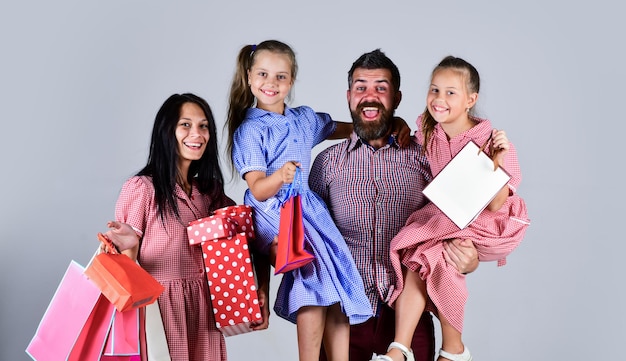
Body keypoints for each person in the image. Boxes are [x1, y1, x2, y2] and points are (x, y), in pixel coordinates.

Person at [309, 49, 479, 361]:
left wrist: (471, 258)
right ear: (349, 96)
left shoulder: (426, 157)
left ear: (397, 98)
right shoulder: (326, 164)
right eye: (361, 87)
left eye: (381, 88)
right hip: (344, 317)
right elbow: (310, 237)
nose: (369, 96)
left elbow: (455, 225)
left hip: (408, 316)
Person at [225, 39, 382, 361]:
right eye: (264, 75)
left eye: (281, 77)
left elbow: (341, 128)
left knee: (338, 277)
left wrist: (374, 126)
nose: (271, 84)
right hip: (273, 210)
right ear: (250, 77)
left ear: (291, 80)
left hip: (306, 208)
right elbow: (256, 189)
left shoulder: (304, 119)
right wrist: (279, 177)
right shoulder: (251, 130)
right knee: (312, 275)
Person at [377, 56, 530, 361]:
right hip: (451, 214)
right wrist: (399, 125)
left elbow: (497, 203)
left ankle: (448, 348)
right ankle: (410, 348)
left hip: (490, 222)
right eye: (434, 90)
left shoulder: (492, 140)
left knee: (431, 247)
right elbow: (415, 137)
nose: (439, 99)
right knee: (420, 256)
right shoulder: (431, 129)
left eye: (450, 93)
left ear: (470, 100)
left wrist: (496, 158)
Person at [102, 93, 270, 361]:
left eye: (204, 126)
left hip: (205, 310)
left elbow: (257, 235)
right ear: (166, 131)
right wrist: (130, 250)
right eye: (186, 125)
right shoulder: (143, 189)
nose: (197, 134)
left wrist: (262, 290)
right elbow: (125, 277)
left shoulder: (210, 193)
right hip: (161, 313)